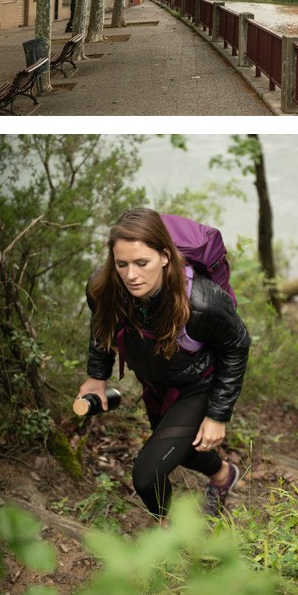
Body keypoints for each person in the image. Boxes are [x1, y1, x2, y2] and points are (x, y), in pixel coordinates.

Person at [76, 207, 252, 520]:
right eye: (122, 264)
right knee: (181, 450)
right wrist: (97, 376)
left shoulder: (201, 303)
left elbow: (237, 345)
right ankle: (224, 476)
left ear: (165, 257)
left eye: (142, 263)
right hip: (157, 384)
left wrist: (217, 415)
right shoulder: (105, 288)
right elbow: (102, 324)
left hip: (199, 386)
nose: (131, 275)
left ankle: (166, 535)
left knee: (146, 475)